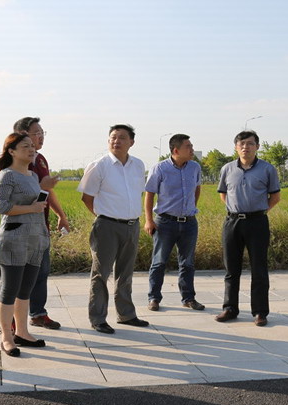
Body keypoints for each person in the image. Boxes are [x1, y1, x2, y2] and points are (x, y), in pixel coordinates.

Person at [78, 124, 149, 334]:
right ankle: (98, 318)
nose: (116, 141)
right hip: (107, 226)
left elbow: (137, 194)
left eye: (122, 137)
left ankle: (126, 314)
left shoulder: (138, 165)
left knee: (125, 273)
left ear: (131, 142)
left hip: (132, 225)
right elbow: (87, 197)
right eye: (113, 137)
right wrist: (104, 216)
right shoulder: (99, 165)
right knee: (101, 274)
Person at [0, 133, 54, 356]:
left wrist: (44, 190)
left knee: (26, 289)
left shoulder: (32, 175)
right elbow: (1, 207)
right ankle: (6, 337)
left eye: (32, 146)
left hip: (35, 238)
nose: (31, 150)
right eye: (25, 146)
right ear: (12, 151)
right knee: (10, 289)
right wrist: (31, 208)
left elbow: (36, 203)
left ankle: (22, 332)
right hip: (14, 238)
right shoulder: (7, 175)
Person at [215, 130, 281, 326]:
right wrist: (236, 209)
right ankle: (230, 308)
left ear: (257, 147)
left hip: (257, 223)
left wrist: (259, 211)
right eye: (242, 144)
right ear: (236, 147)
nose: (246, 147)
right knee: (231, 268)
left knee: (259, 268)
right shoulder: (227, 169)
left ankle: (260, 312)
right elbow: (223, 194)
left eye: (250, 144)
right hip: (232, 222)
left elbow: (275, 197)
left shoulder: (267, 169)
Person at [12, 117, 71, 330]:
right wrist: (41, 186)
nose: (41, 137)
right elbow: (13, 198)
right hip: (20, 228)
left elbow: (48, 191)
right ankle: (11, 319)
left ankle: (38, 313)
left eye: (42, 132)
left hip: (40, 226)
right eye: (36, 132)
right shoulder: (11, 162)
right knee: (17, 276)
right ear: (22, 135)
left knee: (40, 271)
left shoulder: (41, 159)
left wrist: (61, 215)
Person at [144, 134, 205, 312]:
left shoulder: (194, 167)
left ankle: (188, 298)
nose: (192, 149)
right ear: (176, 150)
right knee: (159, 262)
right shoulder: (159, 168)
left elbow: (197, 189)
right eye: (188, 146)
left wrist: (190, 208)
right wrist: (149, 220)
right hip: (165, 223)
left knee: (187, 263)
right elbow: (149, 194)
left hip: (189, 223)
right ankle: (154, 298)